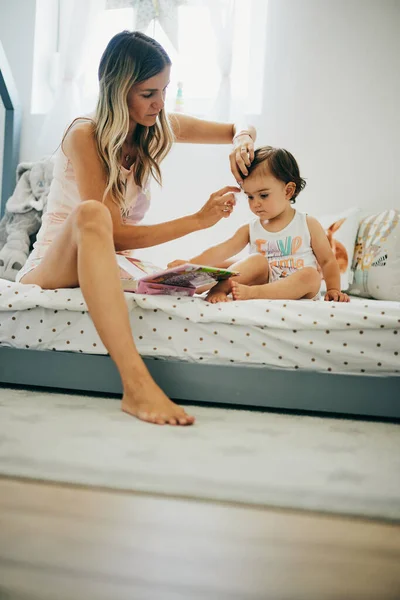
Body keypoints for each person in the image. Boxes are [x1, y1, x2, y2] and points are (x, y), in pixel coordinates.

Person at [15, 30, 257, 426]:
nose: (160, 103)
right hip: (54, 266)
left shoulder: (151, 126)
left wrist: (243, 142)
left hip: (105, 263)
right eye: (149, 93)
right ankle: (136, 385)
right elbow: (112, 233)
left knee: (182, 270)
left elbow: (237, 127)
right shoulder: (84, 134)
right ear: (118, 89)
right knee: (92, 214)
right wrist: (198, 220)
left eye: (164, 90)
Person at [168, 146, 350, 303]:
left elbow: (327, 261)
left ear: (288, 191)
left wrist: (334, 289)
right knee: (254, 261)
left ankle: (254, 294)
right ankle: (217, 289)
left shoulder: (307, 223)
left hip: (298, 289)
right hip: (264, 280)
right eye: (250, 196)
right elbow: (221, 250)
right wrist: (190, 264)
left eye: (263, 195)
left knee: (310, 275)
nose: (255, 203)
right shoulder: (251, 228)